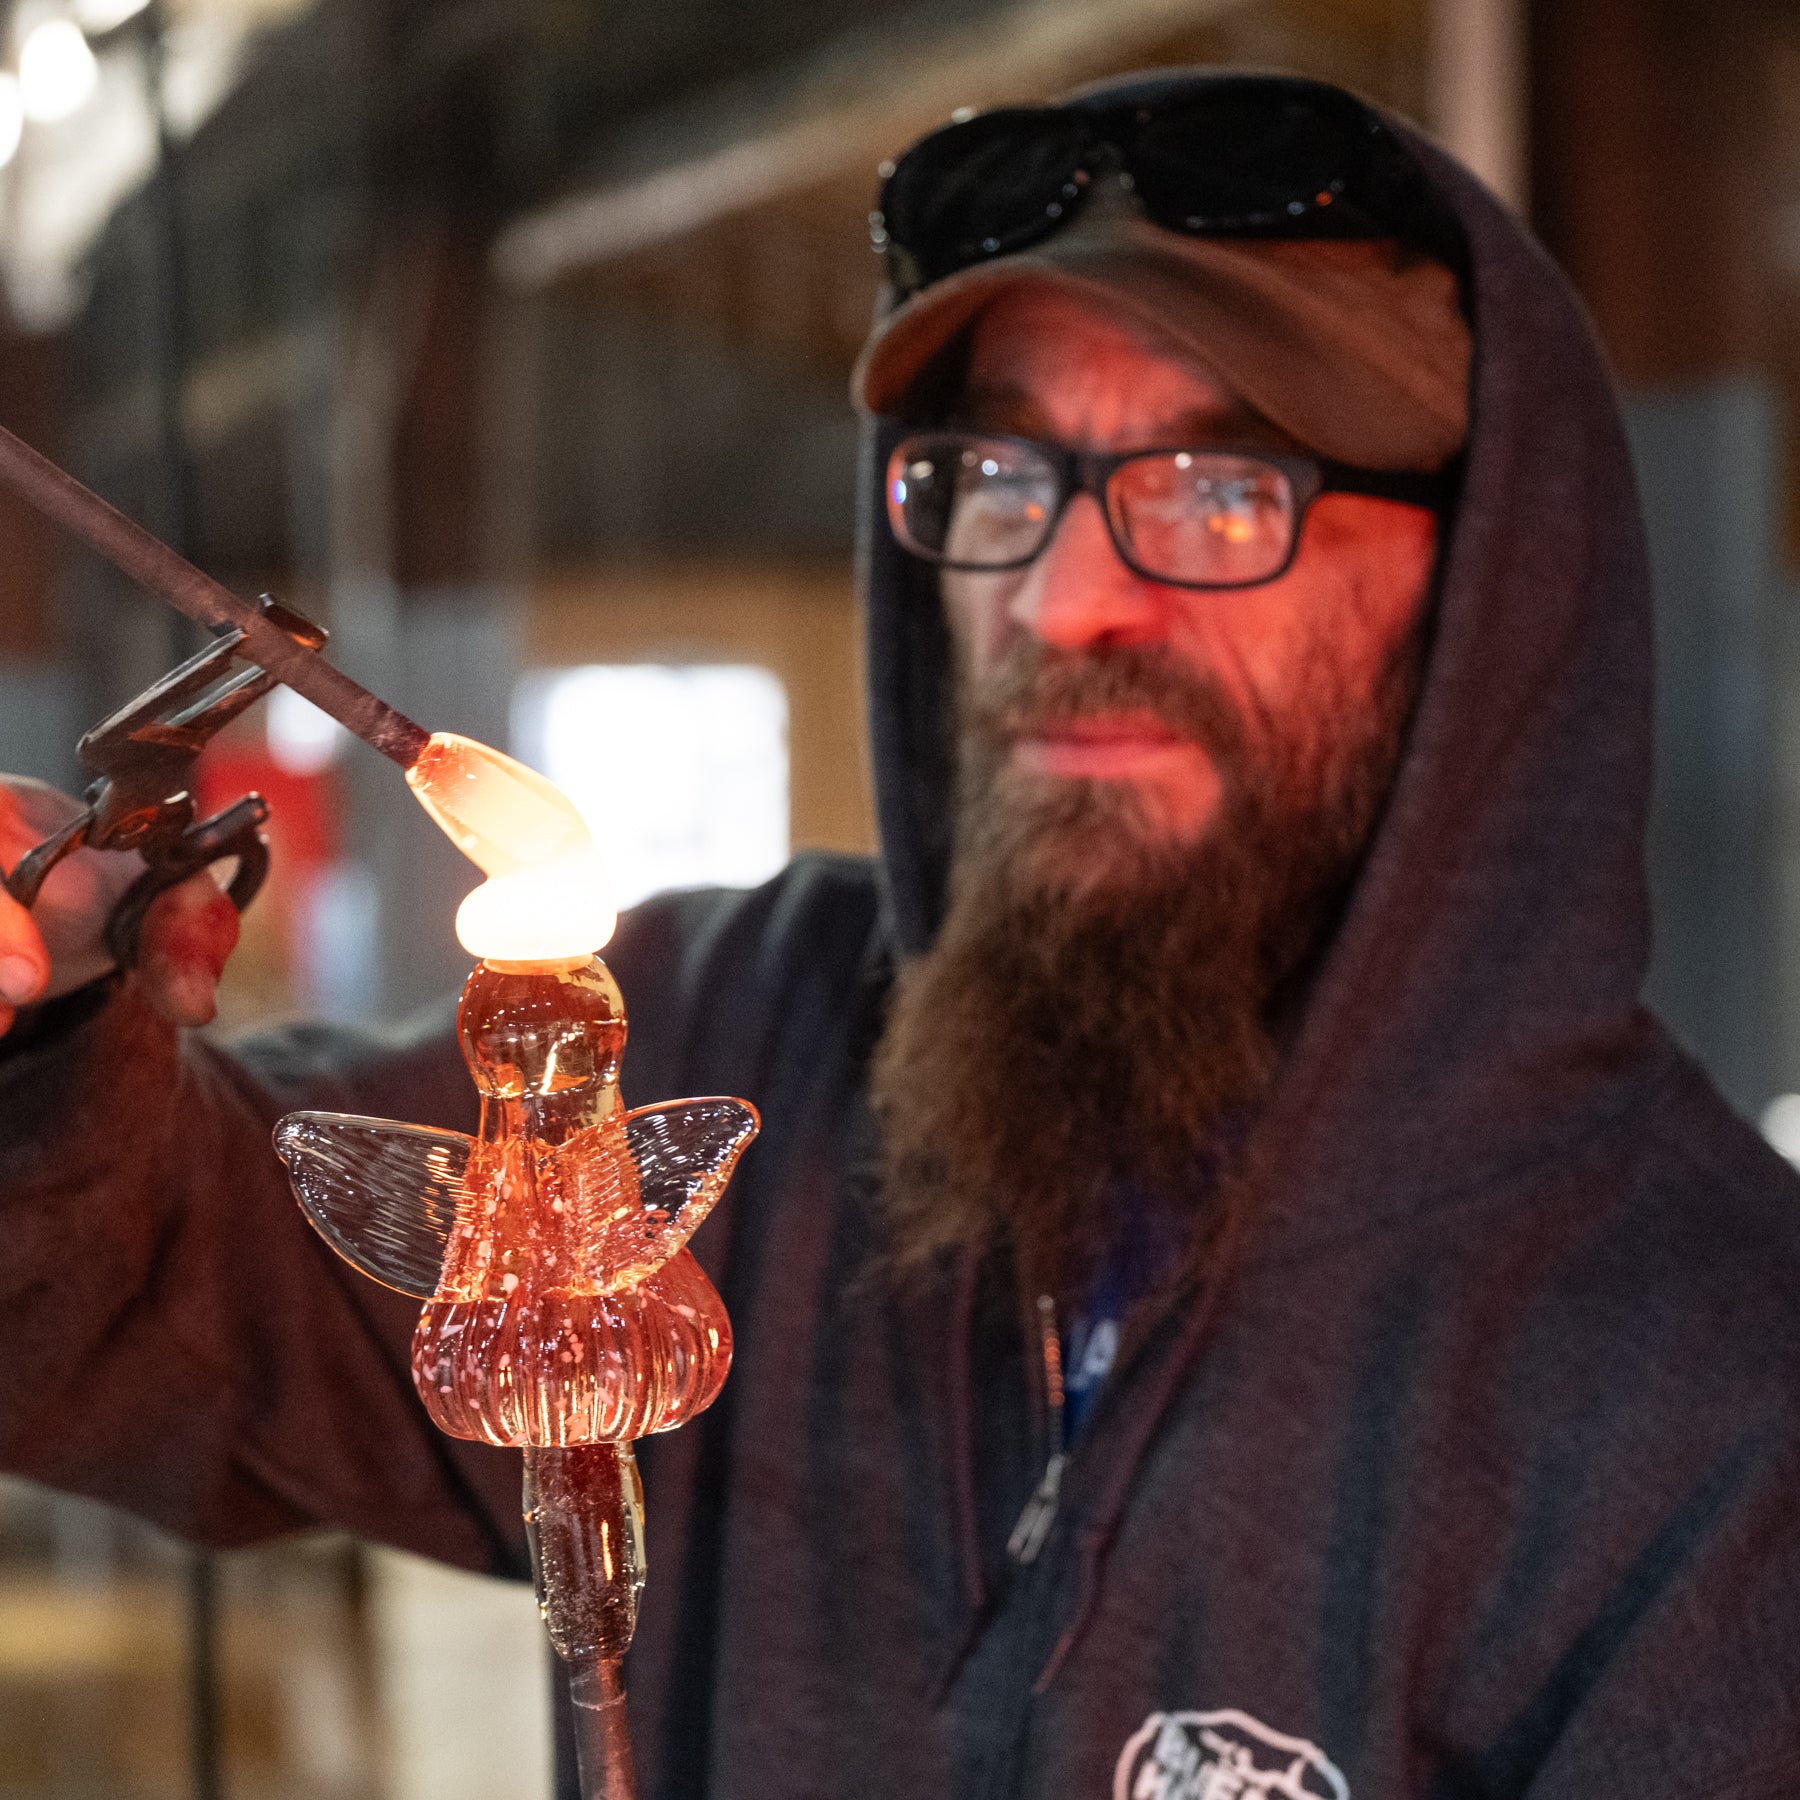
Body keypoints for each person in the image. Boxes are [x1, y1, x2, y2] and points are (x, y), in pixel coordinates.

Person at [2, 67, 1799, 1800]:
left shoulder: (1717, 1398)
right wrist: (46, 1036)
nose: (1063, 597)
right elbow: (160, 1287)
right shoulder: (735, 1038)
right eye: (1000, 477)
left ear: (1483, 588)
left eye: (1219, 487)